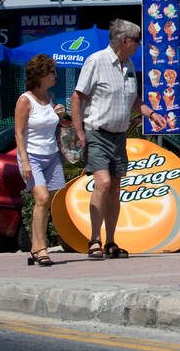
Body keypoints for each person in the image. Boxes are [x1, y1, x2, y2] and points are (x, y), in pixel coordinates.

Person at [71, 19, 166, 260]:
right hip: (97, 131)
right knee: (102, 183)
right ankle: (94, 239)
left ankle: (111, 241)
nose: (139, 45)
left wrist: (152, 114)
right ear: (125, 41)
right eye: (137, 41)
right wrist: (80, 132)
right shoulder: (96, 61)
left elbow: (133, 100)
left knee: (115, 188)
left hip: (119, 135)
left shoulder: (129, 64)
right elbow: (77, 97)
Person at [14, 54, 66, 267]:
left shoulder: (49, 97)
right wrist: (25, 161)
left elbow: (49, 125)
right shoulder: (25, 100)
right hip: (32, 156)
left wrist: (59, 114)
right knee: (42, 198)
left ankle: (35, 247)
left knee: (46, 202)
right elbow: (18, 133)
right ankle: (41, 247)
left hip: (51, 155)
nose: (55, 75)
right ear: (41, 75)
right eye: (52, 72)